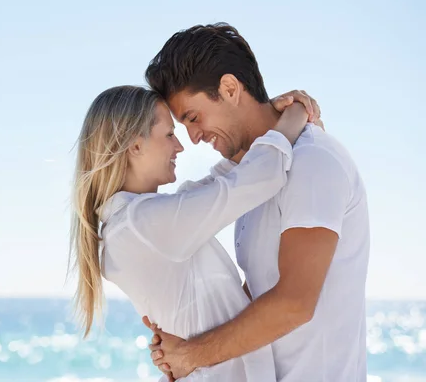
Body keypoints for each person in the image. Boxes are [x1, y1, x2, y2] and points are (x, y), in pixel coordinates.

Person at [144, 23, 370, 382]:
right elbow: (257, 296)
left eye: (193, 117)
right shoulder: (252, 179)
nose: (193, 137)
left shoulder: (313, 161)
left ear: (230, 88)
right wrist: (185, 336)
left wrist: (192, 355)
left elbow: (294, 303)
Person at [70, 84, 320, 381]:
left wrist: (267, 125)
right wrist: (296, 112)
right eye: (169, 134)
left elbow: (223, 180)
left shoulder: (134, 223)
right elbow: (260, 176)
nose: (180, 146)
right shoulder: (143, 223)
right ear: (134, 146)